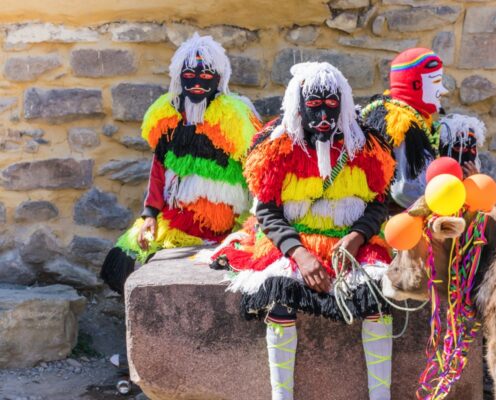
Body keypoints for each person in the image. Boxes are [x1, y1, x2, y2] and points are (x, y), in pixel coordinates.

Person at [211, 62, 396, 400]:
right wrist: (300, 255)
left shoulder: (366, 145)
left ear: (343, 103)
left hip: (350, 239)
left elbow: (378, 203)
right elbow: (266, 210)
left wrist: (355, 239)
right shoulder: (275, 147)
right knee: (280, 296)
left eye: (331, 105)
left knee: (377, 296)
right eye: (313, 106)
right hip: (293, 240)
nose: (324, 114)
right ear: (299, 106)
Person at [100, 33, 261, 294]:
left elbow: (256, 174)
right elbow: (159, 167)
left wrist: (253, 222)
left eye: (207, 75)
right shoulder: (168, 116)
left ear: (220, 79)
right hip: (176, 217)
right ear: (179, 77)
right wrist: (149, 214)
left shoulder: (237, 117)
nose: (197, 82)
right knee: (122, 259)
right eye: (190, 75)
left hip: (225, 221)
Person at [361, 48, 448, 211]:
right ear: (415, 85)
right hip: (396, 224)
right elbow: (404, 190)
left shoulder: (417, 118)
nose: (443, 90)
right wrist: (444, 203)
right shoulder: (400, 123)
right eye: (436, 82)